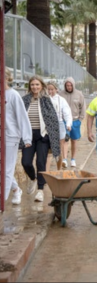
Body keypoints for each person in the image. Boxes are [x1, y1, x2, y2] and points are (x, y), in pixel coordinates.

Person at [21, 76, 60, 202]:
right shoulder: (25, 100)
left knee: (40, 162)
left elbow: (53, 119)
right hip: (28, 136)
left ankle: (40, 190)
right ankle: (32, 179)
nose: (35, 87)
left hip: (42, 136)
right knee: (26, 162)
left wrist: (53, 137)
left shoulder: (46, 100)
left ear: (41, 86)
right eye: (32, 85)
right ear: (29, 86)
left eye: (37, 84)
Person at [4, 68, 32, 205]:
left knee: (7, 169)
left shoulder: (13, 95)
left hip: (11, 136)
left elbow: (22, 117)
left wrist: (27, 138)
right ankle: (15, 189)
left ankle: (1, 201)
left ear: (5, 78)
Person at [59, 77, 85, 169]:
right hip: (64, 121)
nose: (69, 87)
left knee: (74, 140)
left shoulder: (79, 94)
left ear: (73, 85)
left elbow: (83, 107)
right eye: (67, 85)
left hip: (75, 121)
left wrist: (80, 119)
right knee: (65, 140)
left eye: (70, 85)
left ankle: (73, 159)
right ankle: (65, 159)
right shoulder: (61, 94)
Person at [46, 81, 72, 171]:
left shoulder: (61, 100)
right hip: (47, 125)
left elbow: (67, 112)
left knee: (59, 147)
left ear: (56, 90)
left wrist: (68, 123)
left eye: (52, 89)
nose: (50, 91)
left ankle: (59, 168)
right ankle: (47, 170)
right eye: (48, 89)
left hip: (59, 123)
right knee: (48, 149)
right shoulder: (44, 99)